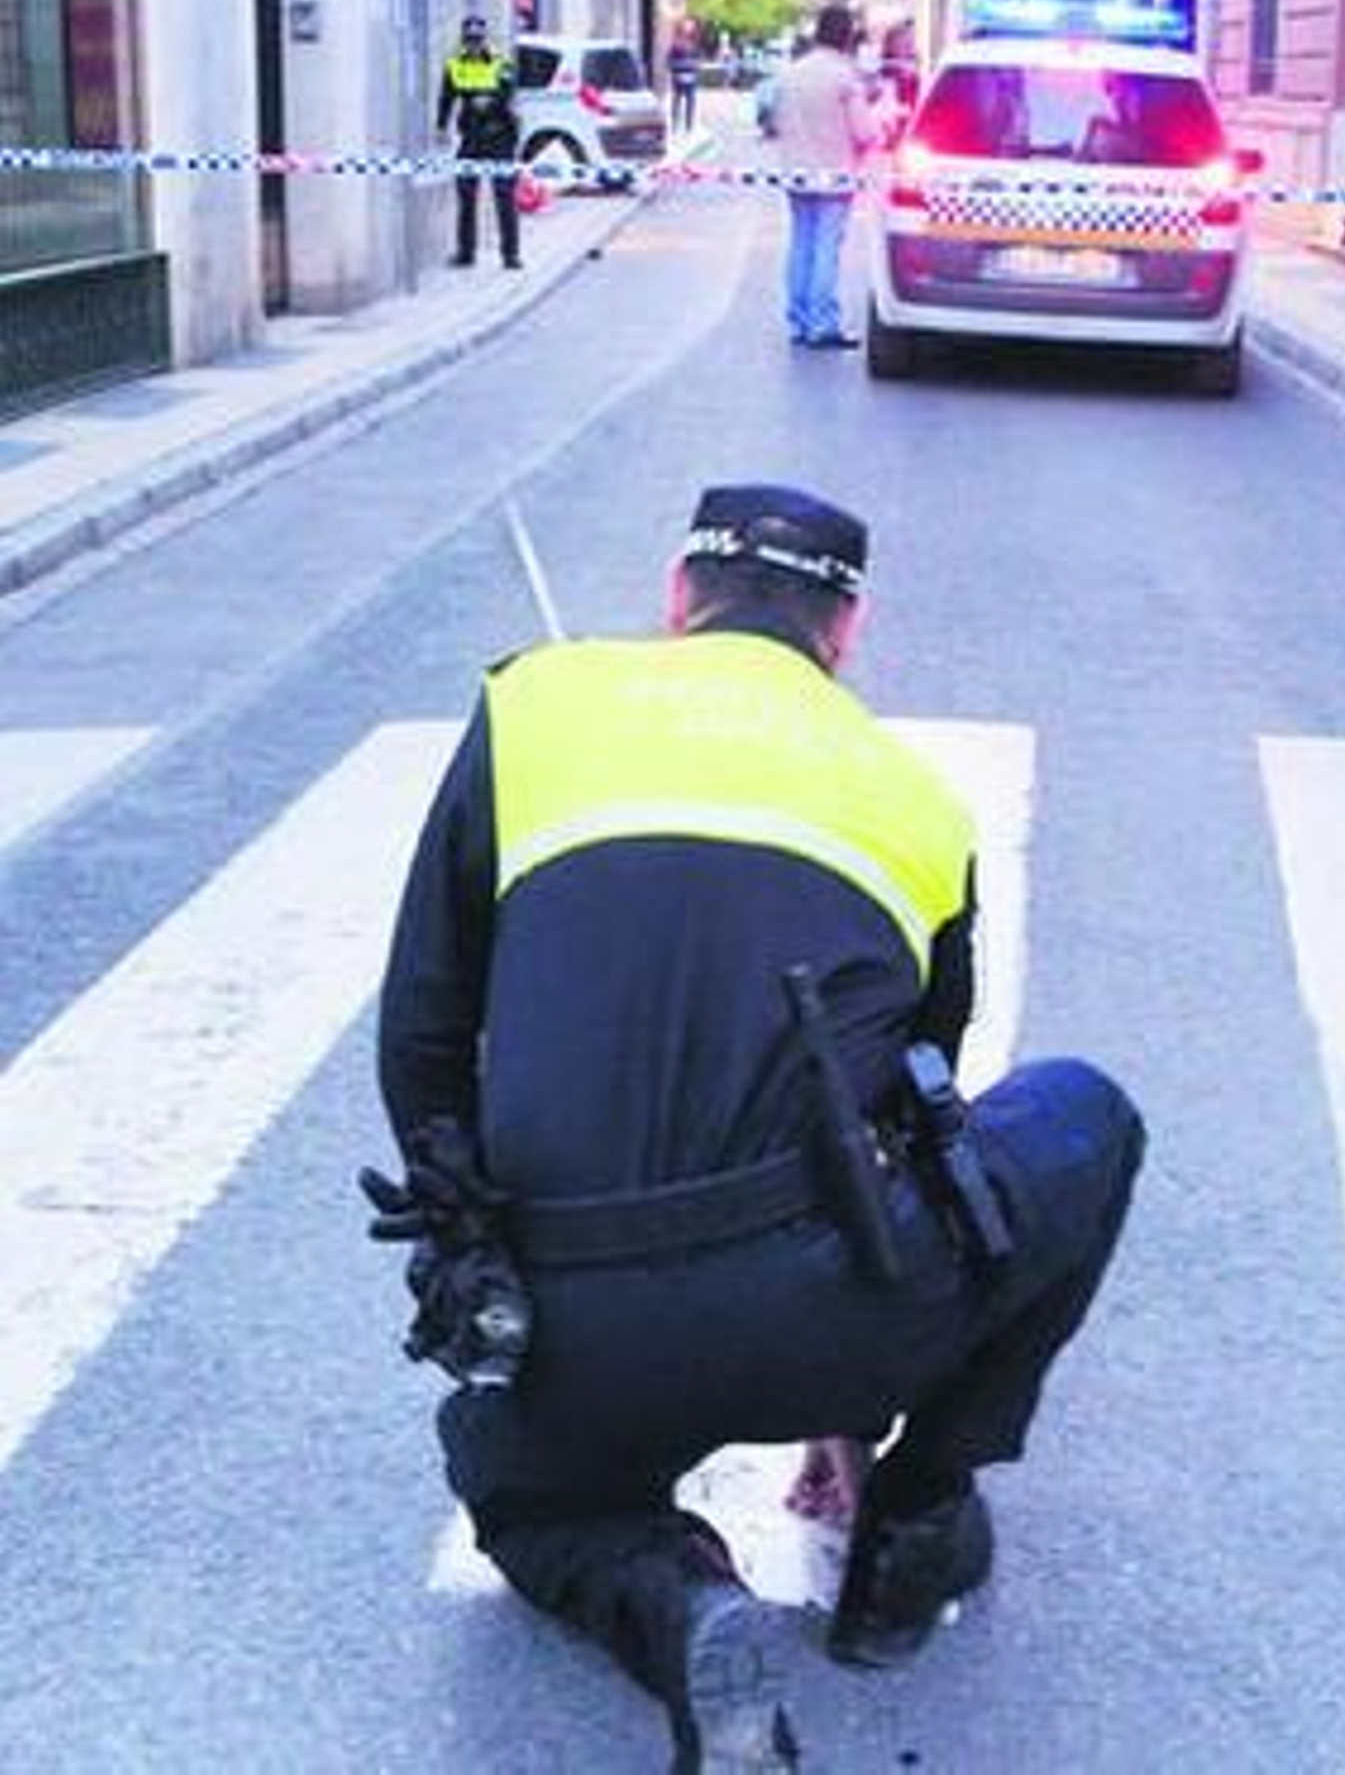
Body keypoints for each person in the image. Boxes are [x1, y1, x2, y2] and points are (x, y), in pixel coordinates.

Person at [372, 482, 1146, 1773]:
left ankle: (680, 1607)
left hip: (574, 1331)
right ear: (847, 635)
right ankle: (912, 1534)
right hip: (834, 1313)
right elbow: (920, 1114)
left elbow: (422, 1034)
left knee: (524, 1499)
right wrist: (850, 1399)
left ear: (678, 603)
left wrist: (479, 1263)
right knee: (1086, 1117)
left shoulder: (532, 706)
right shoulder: (913, 800)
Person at [771, 5, 882, 348]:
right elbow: (865, 132)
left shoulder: (790, 73)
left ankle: (798, 320)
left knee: (801, 244)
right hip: (834, 173)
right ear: (847, 36)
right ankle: (822, 324)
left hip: (796, 172)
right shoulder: (844, 77)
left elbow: (776, 121)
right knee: (825, 249)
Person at [436, 13, 522, 271]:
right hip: (471, 136)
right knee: (466, 195)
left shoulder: (500, 61)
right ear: (464, 40)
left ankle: (510, 255)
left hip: (500, 135)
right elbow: (447, 97)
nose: (474, 44)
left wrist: (490, 100)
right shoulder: (454, 64)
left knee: (504, 196)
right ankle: (465, 253)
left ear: (484, 39)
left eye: (478, 39)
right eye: (469, 40)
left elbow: (508, 91)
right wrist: (441, 126)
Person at [668, 22, 701, 137]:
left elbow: (698, 61)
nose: (689, 30)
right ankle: (675, 126)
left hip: (691, 78)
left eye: (691, 28)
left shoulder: (694, 45)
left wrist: (695, 67)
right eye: (687, 28)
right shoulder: (676, 45)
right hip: (679, 78)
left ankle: (689, 127)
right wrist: (681, 66)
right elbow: (670, 62)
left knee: (690, 103)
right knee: (676, 102)